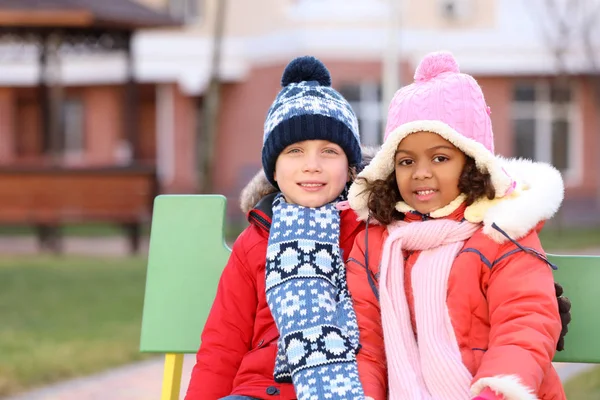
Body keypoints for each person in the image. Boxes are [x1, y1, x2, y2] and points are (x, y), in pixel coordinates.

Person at [346, 51, 567, 400]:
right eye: (405, 161)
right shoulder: (375, 244)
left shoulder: (503, 232)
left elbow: (524, 326)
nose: (421, 172)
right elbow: (366, 346)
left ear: (472, 163)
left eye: (440, 158)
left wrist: (494, 392)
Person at [185, 55, 368, 400]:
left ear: (350, 167)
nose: (311, 166)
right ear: (273, 167)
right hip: (259, 391)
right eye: (295, 151)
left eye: (329, 151)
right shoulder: (256, 241)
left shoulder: (368, 235)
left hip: (345, 388)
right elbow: (223, 345)